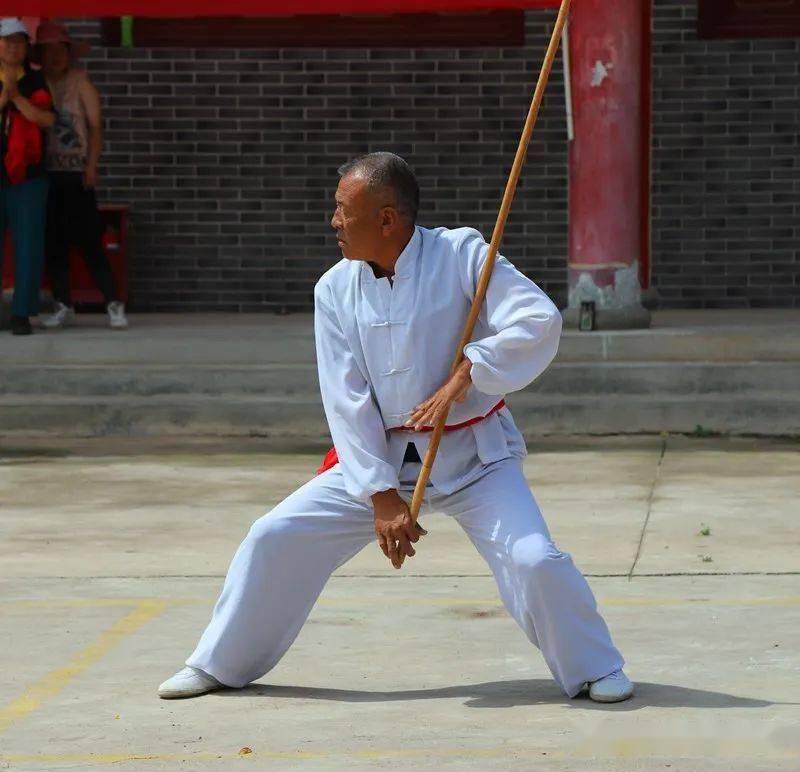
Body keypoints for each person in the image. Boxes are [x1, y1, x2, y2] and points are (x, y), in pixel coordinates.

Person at [158, 152, 634, 704]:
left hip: (475, 458)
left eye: (342, 210)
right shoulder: (334, 289)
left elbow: (538, 319)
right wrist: (381, 496)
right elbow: (346, 398)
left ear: (387, 219)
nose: (332, 221)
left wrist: (471, 369)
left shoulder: (462, 255)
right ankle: (220, 663)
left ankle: (594, 667)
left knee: (533, 558)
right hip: (378, 459)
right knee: (275, 535)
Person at [36, 21, 127, 331]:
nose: (55, 56)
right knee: (54, 243)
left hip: (76, 172)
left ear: (69, 52)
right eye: (48, 51)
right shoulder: (35, 83)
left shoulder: (80, 81)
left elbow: (96, 125)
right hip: (46, 174)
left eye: (60, 49)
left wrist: (92, 164)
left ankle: (113, 303)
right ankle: (63, 304)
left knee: (90, 241)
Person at [0, 17, 54, 336]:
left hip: (29, 175)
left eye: (19, 41)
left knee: (28, 244)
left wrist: (16, 95)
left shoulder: (35, 81)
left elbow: (46, 118)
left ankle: (22, 312)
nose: (13, 47)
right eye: (7, 41)